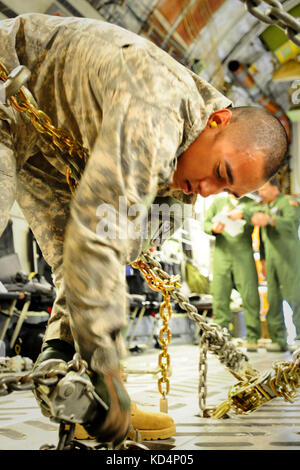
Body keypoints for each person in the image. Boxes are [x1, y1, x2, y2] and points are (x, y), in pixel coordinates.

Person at [0, 13, 288, 445]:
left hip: (48, 140)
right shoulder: (157, 105)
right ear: (217, 122)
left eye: (225, 190)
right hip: (10, 79)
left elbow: (102, 256)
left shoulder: (178, 198)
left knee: (83, 256)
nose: (207, 191)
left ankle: (65, 372)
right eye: (220, 172)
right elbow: (95, 234)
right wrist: (107, 369)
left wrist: (70, 358)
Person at [203, 194, 261, 351]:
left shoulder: (250, 204)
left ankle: (253, 337)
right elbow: (206, 223)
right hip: (222, 253)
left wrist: (243, 214)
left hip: (243, 254)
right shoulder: (218, 202)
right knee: (220, 295)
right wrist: (213, 229)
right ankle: (221, 337)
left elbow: (260, 217)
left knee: (250, 296)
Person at [250, 179, 300, 352]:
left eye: (263, 189)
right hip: (271, 261)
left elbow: (292, 223)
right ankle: (278, 339)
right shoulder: (264, 207)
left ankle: (299, 339)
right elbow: (263, 239)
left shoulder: (288, 202)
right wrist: (262, 260)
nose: (261, 193)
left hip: (289, 258)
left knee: (295, 297)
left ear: (275, 188)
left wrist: (270, 220)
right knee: (273, 299)